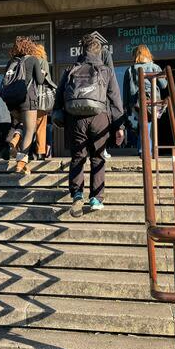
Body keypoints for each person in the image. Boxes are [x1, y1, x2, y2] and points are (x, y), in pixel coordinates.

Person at [57, 33, 125, 217]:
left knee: (78, 156)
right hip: (99, 117)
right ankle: (96, 198)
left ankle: (77, 194)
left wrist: (60, 117)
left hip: (75, 119)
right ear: (99, 52)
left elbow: (58, 97)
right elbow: (116, 100)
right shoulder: (106, 71)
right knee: (98, 156)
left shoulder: (71, 69)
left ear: (82, 51)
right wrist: (120, 127)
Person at [2, 37, 44, 175]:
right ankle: (21, 163)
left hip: (12, 102)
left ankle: (14, 141)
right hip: (27, 100)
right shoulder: (32, 59)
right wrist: (43, 73)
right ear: (29, 48)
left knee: (21, 124)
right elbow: (39, 80)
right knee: (29, 130)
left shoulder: (11, 62)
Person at [122, 44, 167, 157]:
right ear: (148, 54)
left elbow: (126, 90)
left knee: (144, 124)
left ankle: (143, 150)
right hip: (153, 100)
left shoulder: (130, 69)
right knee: (147, 124)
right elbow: (164, 85)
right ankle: (145, 151)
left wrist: (127, 107)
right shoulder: (155, 67)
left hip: (137, 102)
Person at [34, 43, 55, 161]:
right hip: (40, 99)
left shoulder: (29, 61)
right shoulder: (42, 62)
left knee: (28, 126)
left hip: (28, 99)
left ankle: (19, 145)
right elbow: (45, 79)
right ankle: (40, 152)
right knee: (41, 126)